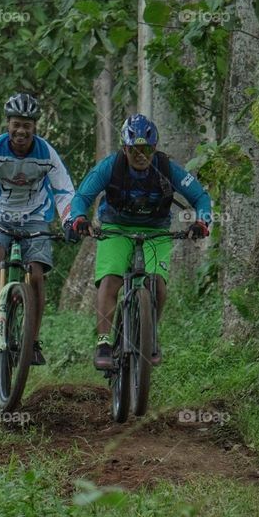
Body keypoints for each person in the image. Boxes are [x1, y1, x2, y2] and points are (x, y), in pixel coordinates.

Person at [64, 113, 212, 370]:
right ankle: (103, 342)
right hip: (115, 227)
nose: (141, 155)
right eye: (134, 149)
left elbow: (201, 197)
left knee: (157, 284)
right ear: (125, 148)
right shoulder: (110, 166)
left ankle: (149, 333)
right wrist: (78, 219)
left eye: (147, 149)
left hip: (156, 230)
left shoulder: (168, 168)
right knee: (111, 279)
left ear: (155, 148)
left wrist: (202, 223)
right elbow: (81, 198)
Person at [0, 92, 74, 367]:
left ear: (35, 127)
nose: (21, 130)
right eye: (16, 124)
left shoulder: (47, 154)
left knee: (36, 274)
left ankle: (32, 342)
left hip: (35, 216)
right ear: (8, 124)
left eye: (27, 125)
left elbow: (64, 191)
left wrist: (70, 221)